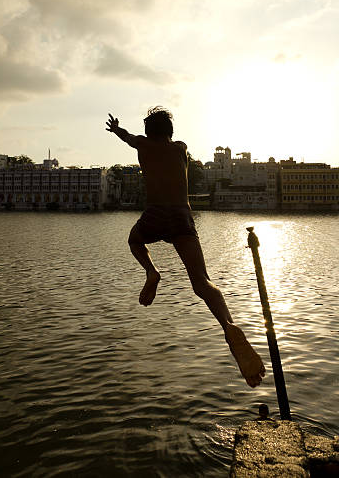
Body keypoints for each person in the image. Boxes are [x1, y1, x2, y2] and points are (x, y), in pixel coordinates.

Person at [106, 107, 265, 388]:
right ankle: (228, 325)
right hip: (182, 216)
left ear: (148, 133)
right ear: (170, 132)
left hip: (156, 214)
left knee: (134, 239)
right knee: (202, 282)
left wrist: (117, 129)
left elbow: (128, 137)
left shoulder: (142, 144)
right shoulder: (181, 148)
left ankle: (152, 273)